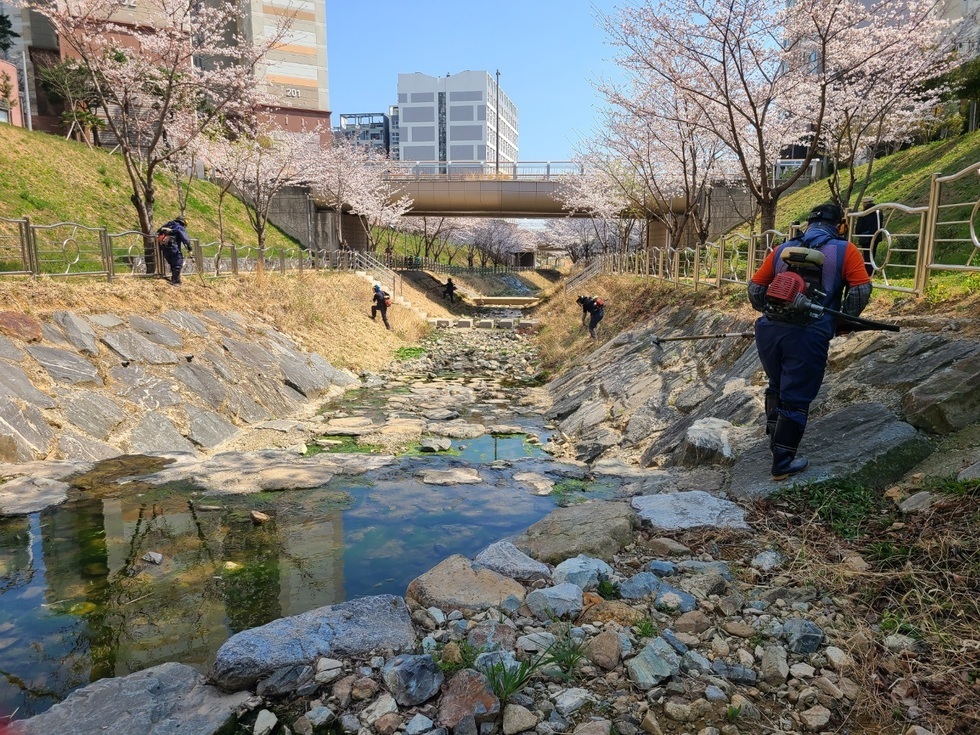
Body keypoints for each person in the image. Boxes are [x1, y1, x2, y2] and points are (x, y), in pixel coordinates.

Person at [747, 202, 872, 481]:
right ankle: (782, 461)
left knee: (777, 386)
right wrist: (841, 322)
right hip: (808, 333)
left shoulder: (781, 249)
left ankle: (774, 446)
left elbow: (755, 290)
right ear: (840, 225)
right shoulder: (845, 250)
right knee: (796, 396)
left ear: (808, 223)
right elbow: (861, 291)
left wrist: (774, 313)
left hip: (768, 331)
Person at [157, 215, 191, 285]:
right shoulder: (179, 227)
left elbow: (158, 232)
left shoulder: (167, 225)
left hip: (164, 248)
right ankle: (175, 281)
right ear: (183, 222)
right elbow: (185, 239)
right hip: (174, 248)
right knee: (177, 263)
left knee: (172, 263)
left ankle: (174, 279)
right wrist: (189, 247)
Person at [853, 196, 882, 276]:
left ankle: (869, 272)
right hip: (876, 235)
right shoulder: (879, 212)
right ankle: (873, 271)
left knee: (867, 254)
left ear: (864, 204)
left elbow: (859, 228)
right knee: (873, 253)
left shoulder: (864, 213)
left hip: (866, 237)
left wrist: (858, 233)